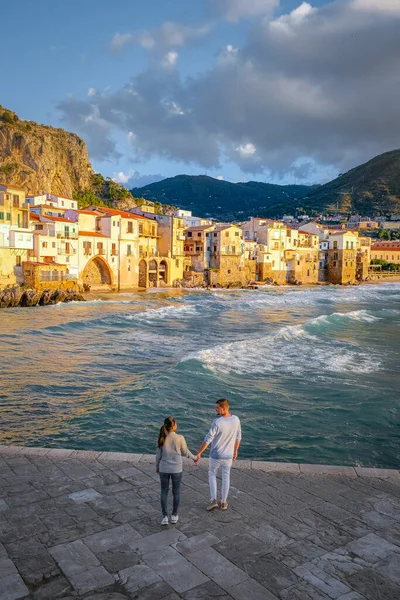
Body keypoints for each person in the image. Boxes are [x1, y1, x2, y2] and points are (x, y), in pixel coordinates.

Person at [194, 398, 241, 511]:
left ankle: (213, 500)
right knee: (226, 477)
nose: (216, 410)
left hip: (216, 455)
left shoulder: (218, 422)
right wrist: (235, 451)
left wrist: (199, 452)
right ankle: (223, 502)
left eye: (217, 408)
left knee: (212, 474)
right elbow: (238, 436)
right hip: (228, 455)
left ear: (224, 408)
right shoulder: (236, 419)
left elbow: (208, 439)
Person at [156, 416, 195, 526]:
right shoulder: (180, 438)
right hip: (177, 469)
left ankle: (164, 517)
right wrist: (194, 457)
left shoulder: (161, 437)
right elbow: (185, 451)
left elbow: (158, 455)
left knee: (164, 492)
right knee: (176, 492)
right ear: (173, 426)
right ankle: (174, 515)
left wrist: (157, 466)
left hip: (164, 468)